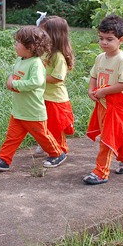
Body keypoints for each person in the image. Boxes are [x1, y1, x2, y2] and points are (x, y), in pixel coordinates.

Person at [0, 26, 67, 172]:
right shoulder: (21, 60)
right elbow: (15, 75)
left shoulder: (36, 63)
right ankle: (3, 159)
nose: (15, 45)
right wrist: (11, 79)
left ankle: (58, 154)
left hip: (33, 111)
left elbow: (36, 82)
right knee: (12, 137)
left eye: (18, 42)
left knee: (43, 136)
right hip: (19, 110)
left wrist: (14, 84)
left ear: (31, 47)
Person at [83, 15, 123, 185]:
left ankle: (101, 171)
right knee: (119, 133)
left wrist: (104, 91)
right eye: (101, 38)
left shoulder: (122, 60)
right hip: (102, 104)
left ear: (121, 40)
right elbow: (94, 75)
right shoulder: (100, 58)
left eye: (109, 39)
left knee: (108, 138)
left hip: (117, 105)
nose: (104, 42)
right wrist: (92, 90)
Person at [37, 16, 75, 155]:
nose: (40, 36)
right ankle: (48, 144)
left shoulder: (58, 56)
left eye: (43, 33)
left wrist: (36, 79)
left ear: (53, 35)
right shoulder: (44, 53)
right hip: (43, 96)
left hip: (56, 99)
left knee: (56, 127)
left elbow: (57, 78)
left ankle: (60, 151)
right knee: (43, 124)